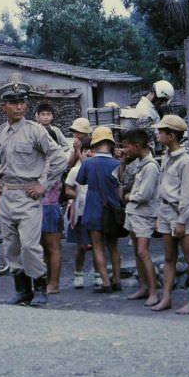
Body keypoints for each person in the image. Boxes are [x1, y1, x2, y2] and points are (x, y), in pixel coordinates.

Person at [0, 81, 67, 307]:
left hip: (29, 196)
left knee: (30, 245)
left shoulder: (36, 131)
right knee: (10, 245)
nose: (20, 106)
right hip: (7, 194)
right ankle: (22, 291)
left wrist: (44, 185)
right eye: (14, 102)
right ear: (4, 105)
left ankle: (40, 289)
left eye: (23, 102)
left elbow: (59, 158)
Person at [151, 115, 189, 314]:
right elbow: (161, 188)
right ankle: (166, 297)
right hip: (165, 212)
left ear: (172, 136)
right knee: (169, 257)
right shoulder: (165, 157)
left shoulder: (186, 162)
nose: (158, 135)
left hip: (180, 214)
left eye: (162, 132)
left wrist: (181, 220)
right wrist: (158, 215)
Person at [76, 126, 123, 294]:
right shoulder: (118, 164)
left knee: (97, 246)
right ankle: (117, 279)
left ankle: (105, 282)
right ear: (111, 144)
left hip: (94, 209)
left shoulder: (89, 163)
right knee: (114, 247)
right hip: (112, 209)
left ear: (94, 145)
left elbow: (81, 181)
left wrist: (82, 159)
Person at [120, 128, 160, 306]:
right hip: (134, 213)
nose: (125, 150)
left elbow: (144, 194)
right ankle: (144, 287)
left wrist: (129, 196)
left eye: (127, 147)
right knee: (137, 252)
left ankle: (153, 291)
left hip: (144, 214)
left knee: (143, 252)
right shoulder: (138, 163)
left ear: (137, 146)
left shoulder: (150, 167)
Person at [65, 138, 97, 288]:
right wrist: (77, 195)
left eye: (93, 150)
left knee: (98, 246)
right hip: (80, 212)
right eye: (86, 151)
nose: (90, 153)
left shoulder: (100, 169)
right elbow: (67, 189)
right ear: (81, 153)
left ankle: (98, 274)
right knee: (82, 246)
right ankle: (78, 274)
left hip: (97, 213)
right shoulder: (75, 170)